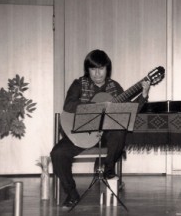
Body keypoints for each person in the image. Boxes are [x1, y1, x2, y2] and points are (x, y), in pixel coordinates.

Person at [51, 49, 151, 208]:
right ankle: (72, 194)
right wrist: (96, 107)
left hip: (107, 137)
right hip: (82, 133)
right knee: (57, 153)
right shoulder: (79, 84)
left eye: (101, 68)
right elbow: (68, 105)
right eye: (93, 69)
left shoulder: (114, 86)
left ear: (107, 69)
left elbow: (128, 111)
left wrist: (143, 95)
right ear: (87, 70)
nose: (97, 73)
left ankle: (108, 168)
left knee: (119, 128)